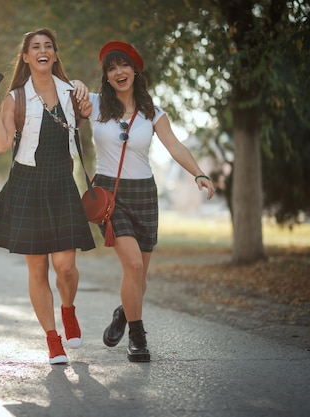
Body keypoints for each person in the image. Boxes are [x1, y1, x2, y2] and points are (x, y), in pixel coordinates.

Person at [87, 41, 216, 362]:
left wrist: (199, 173)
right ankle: (138, 337)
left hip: (144, 193)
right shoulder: (93, 105)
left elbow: (175, 146)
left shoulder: (152, 113)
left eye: (124, 66)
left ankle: (123, 311)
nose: (119, 72)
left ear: (135, 70)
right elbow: (65, 91)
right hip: (111, 194)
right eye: (112, 68)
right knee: (131, 265)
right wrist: (75, 84)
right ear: (105, 76)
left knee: (139, 277)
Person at [0, 28, 95, 365]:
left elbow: (90, 111)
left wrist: (84, 91)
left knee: (66, 267)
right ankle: (52, 338)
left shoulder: (71, 93)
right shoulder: (15, 98)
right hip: (27, 185)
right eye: (35, 47)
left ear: (55, 55)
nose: (42, 51)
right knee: (38, 268)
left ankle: (68, 310)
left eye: (48, 46)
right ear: (26, 57)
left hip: (61, 185)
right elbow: (1, 145)